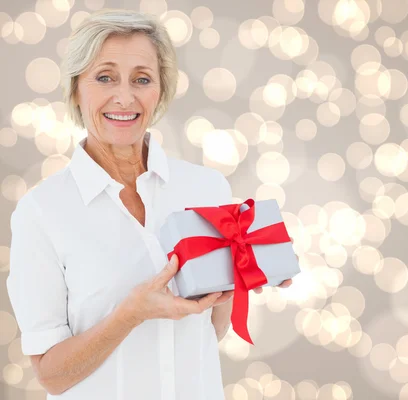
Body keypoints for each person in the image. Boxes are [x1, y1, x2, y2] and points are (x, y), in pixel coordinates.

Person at [5, 8, 292, 400]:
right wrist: (130, 314)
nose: (125, 97)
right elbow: (52, 376)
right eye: (104, 77)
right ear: (76, 88)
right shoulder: (42, 212)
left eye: (142, 79)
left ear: (161, 91)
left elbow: (210, 331)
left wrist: (238, 280)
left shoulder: (205, 187)